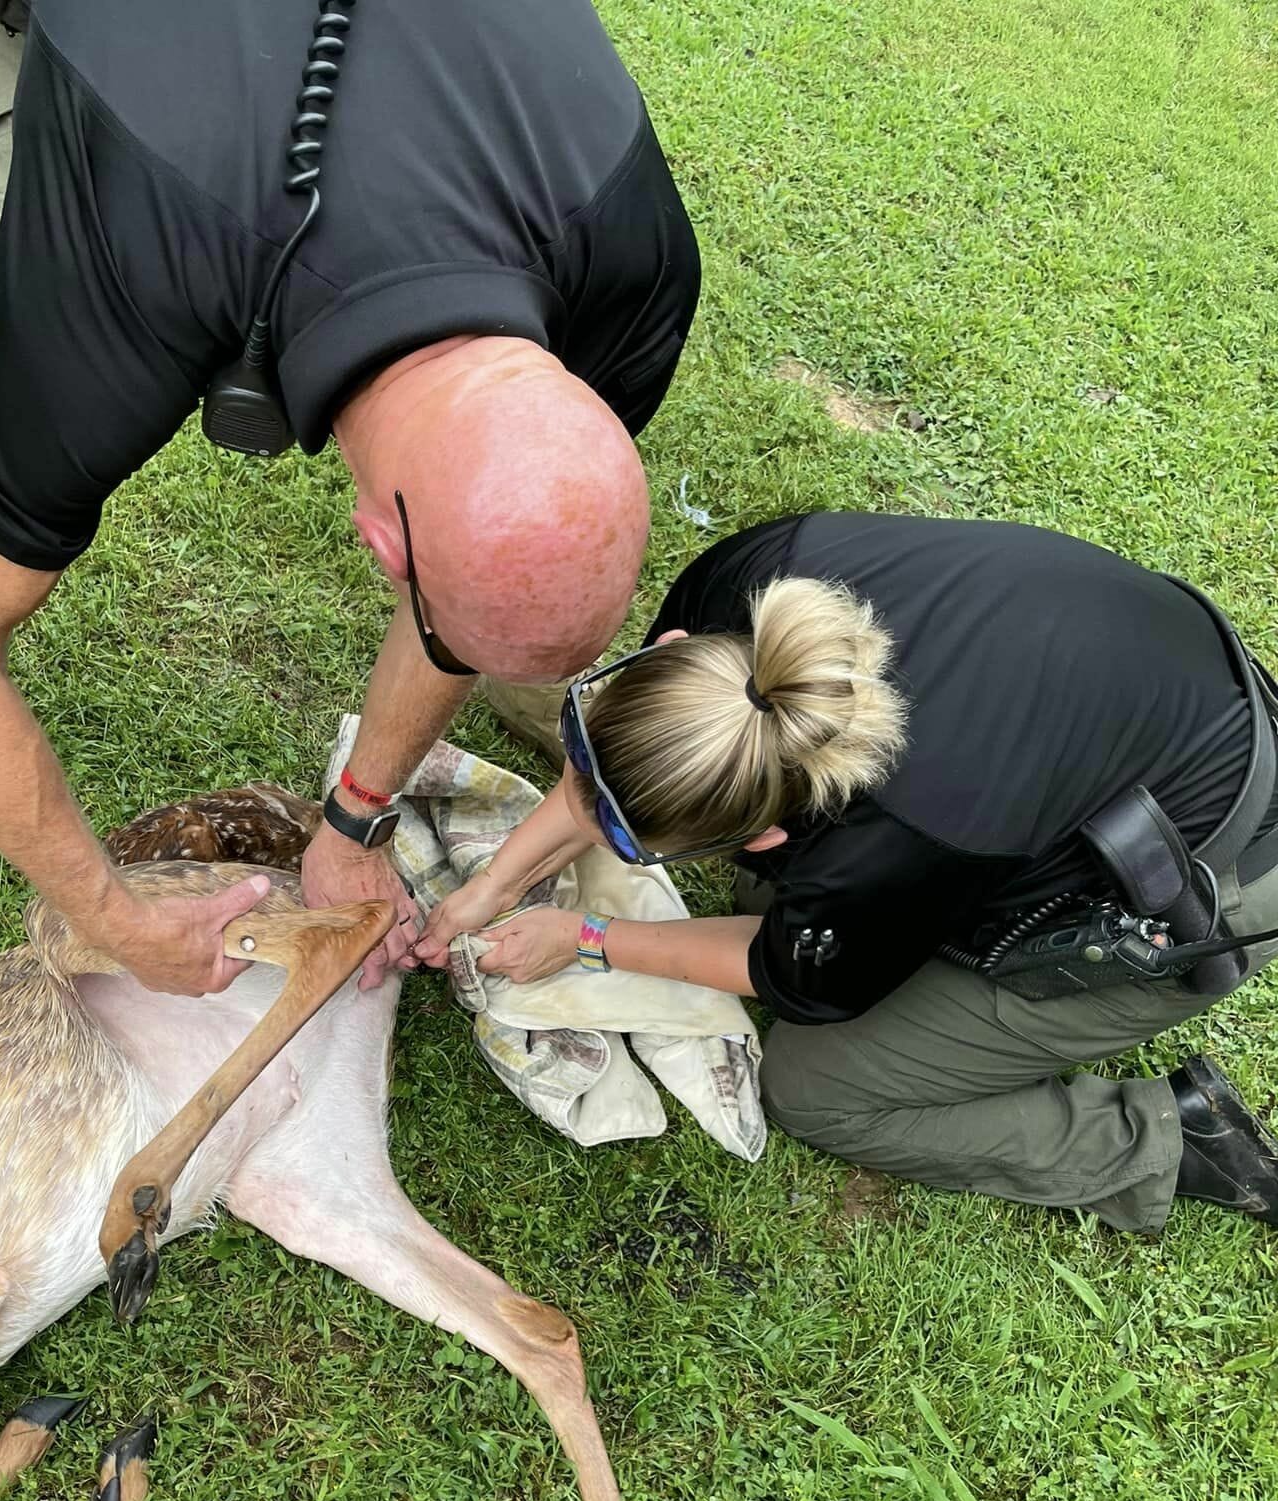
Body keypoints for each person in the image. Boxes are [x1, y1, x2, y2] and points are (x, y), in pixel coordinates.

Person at [0, 0, 699, 993]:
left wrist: (355, 818)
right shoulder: (127, 248)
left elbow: (528, 499)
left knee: (497, 575)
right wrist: (117, 921)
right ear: (378, 545)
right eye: (457, 633)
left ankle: (508, 628)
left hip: (328, 91)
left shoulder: (633, 257)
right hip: (142, 83)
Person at [418, 511, 1278, 1232]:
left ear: (764, 833)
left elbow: (781, 972)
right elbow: (625, 774)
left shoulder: (905, 835)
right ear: (673, 648)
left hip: (1202, 881)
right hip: (1166, 697)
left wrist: (589, 937)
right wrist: (489, 887)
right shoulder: (746, 587)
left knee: (815, 1084)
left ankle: (1167, 1138)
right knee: (787, 914)